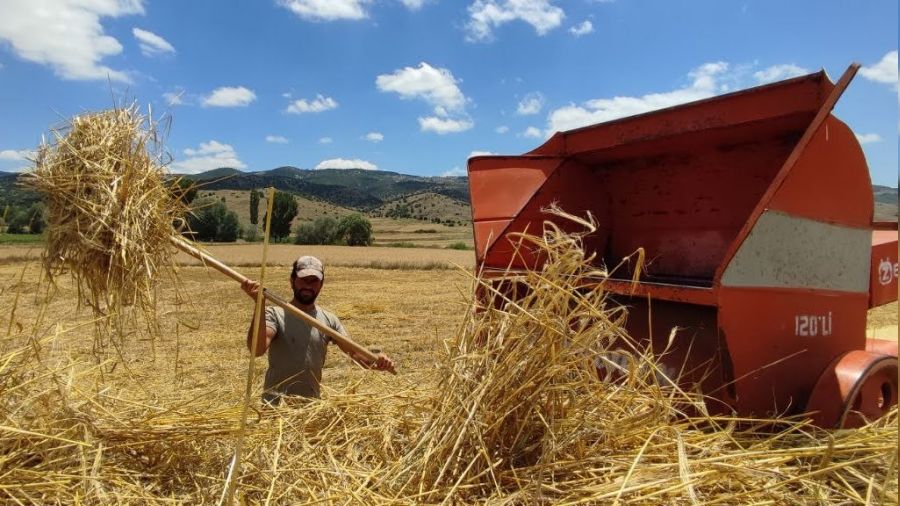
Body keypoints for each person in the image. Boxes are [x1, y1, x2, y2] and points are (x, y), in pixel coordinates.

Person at [241, 255, 394, 404]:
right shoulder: (275, 313)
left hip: (310, 410)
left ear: (321, 284)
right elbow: (257, 349)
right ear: (292, 281)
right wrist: (259, 304)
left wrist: (376, 360)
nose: (308, 285)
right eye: (303, 280)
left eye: (314, 281)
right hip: (275, 407)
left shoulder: (329, 320)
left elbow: (354, 353)